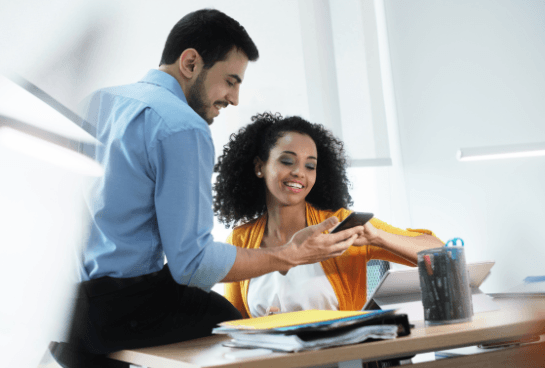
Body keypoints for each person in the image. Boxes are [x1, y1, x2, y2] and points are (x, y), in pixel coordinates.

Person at [52, 9, 363, 368]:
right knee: (252, 340)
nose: (234, 98)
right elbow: (192, 264)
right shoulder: (182, 126)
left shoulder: (95, 102)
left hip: (68, 311)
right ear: (190, 63)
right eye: (230, 81)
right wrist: (289, 255)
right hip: (123, 307)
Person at [214, 112, 444, 318]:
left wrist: (378, 238)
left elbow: (441, 255)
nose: (298, 173)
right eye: (287, 161)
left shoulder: (342, 225)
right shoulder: (240, 241)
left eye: (310, 166)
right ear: (259, 167)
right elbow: (235, 327)